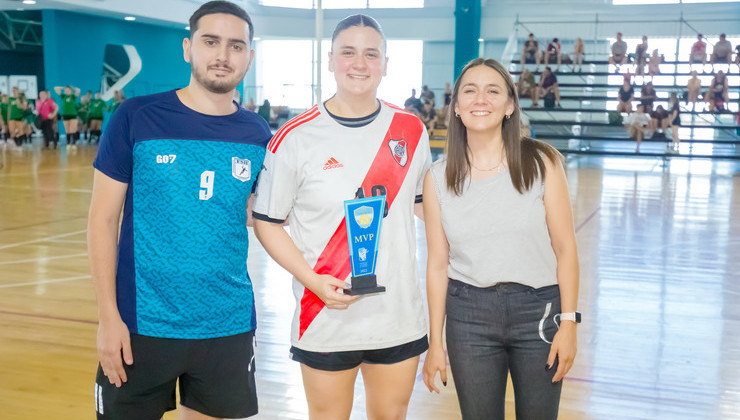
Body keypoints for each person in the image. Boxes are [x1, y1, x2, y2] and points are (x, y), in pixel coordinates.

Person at [88, 2, 269, 419]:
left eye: (235, 46)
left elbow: (255, 213)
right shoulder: (137, 117)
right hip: (140, 324)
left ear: (250, 57)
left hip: (226, 323)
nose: (222, 55)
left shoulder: (257, 132)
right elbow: (102, 221)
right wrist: (107, 318)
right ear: (188, 48)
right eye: (211, 42)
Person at [252, 14, 431, 420]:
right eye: (348, 52)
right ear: (330, 59)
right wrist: (312, 280)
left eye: (371, 54)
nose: (360, 63)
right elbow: (266, 221)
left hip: (398, 316)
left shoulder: (411, 130)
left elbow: (423, 208)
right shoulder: (295, 137)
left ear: (386, 63)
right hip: (325, 315)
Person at [421, 58, 579, 420]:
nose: (481, 99)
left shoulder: (543, 163)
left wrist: (569, 323)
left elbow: (566, 250)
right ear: (457, 107)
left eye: (493, 91)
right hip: (469, 316)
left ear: (510, 106)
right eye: (470, 91)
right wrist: (435, 342)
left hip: (538, 311)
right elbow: (437, 264)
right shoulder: (437, 178)